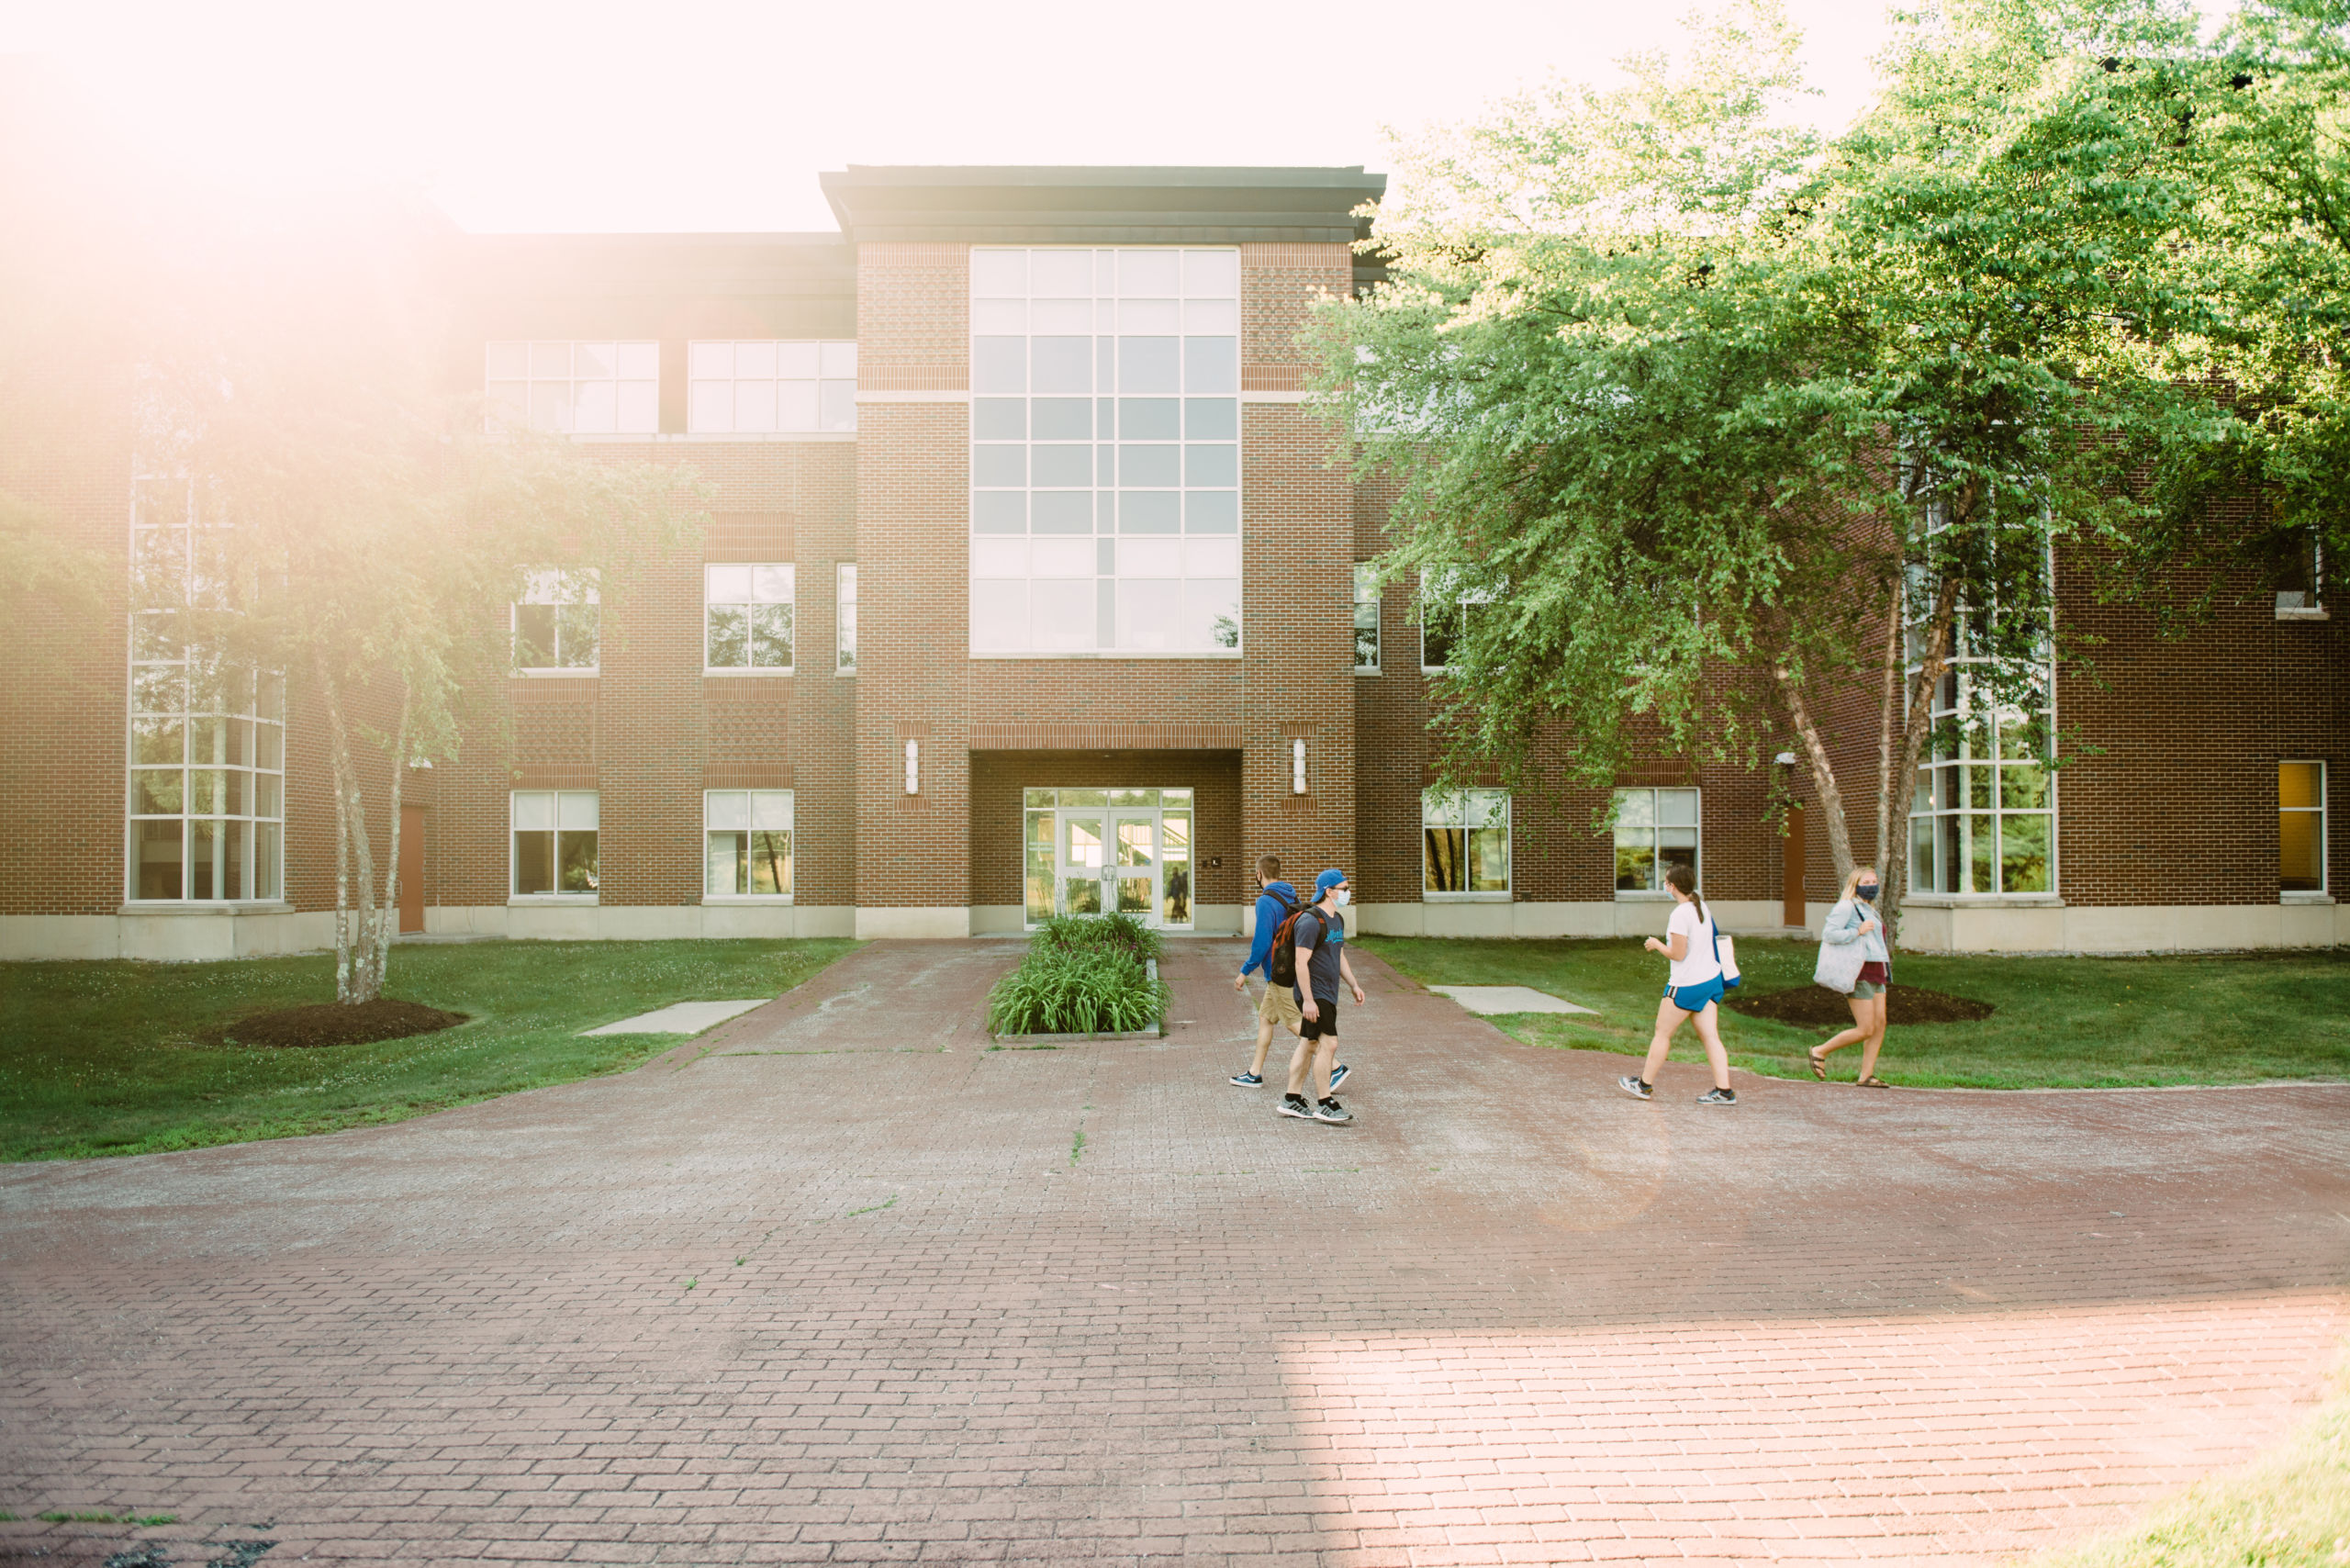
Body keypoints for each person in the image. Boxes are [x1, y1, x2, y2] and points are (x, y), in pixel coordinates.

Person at [1617, 863, 1737, 1105]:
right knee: (1711, 1036)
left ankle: (1643, 1085)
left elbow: (1678, 954)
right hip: (1710, 981)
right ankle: (1724, 1091)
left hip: (1686, 985)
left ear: (1672, 886)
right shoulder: (1700, 906)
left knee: (1662, 1033)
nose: (1664, 885)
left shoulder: (1680, 915)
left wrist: (1656, 944)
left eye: (1665, 882)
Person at [1229, 856, 1348, 1089]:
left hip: (1279, 972)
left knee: (1296, 1024)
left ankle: (1335, 1065)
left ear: (1259, 874)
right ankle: (1255, 1073)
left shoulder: (1265, 901)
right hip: (1287, 966)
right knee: (1266, 1018)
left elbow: (1262, 941)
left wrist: (1245, 971)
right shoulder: (1290, 896)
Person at [1281, 868, 1365, 1125]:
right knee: (1329, 1044)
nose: (1347, 893)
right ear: (1329, 891)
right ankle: (1324, 1102)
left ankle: (1291, 1099)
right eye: (1344, 889)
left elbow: (1338, 955)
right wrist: (1307, 1000)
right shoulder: (1309, 921)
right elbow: (1300, 962)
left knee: (1308, 1044)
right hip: (1314, 994)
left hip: (1327, 992)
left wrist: (1353, 984)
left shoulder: (1336, 920)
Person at [1810, 865, 1893, 1086]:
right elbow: (1829, 934)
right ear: (1854, 886)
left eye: (1874, 882)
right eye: (1866, 883)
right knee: (1865, 1028)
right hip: (1860, 971)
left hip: (1877, 970)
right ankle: (1820, 1051)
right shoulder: (1847, 906)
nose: (1871, 886)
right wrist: (1857, 931)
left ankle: (1866, 1075)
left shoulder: (1870, 908)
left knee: (1880, 1023)